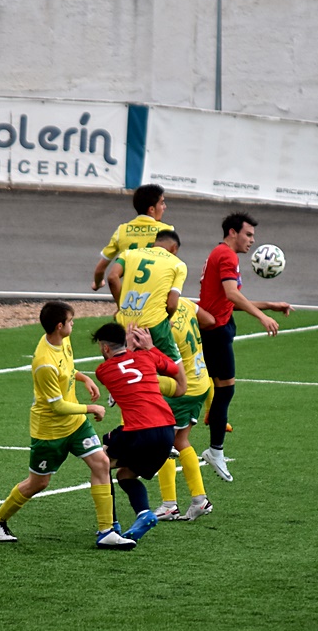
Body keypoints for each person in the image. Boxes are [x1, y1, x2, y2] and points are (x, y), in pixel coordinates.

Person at [0, 301, 135, 550]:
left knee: (101, 463)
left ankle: (106, 530)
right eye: (71, 320)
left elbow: (68, 369)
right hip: (50, 431)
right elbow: (56, 406)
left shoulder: (63, 341)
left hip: (76, 425)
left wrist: (84, 377)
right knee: (39, 483)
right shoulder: (43, 362)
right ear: (59, 326)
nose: (73, 324)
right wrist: (91, 408)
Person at [198, 211, 293, 482]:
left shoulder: (222, 254)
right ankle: (214, 450)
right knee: (223, 391)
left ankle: (210, 436)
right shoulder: (226, 255)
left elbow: (231, 299)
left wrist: (270, 304)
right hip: (215, 331)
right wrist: (262, 317)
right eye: (248, 234)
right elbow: (231, 294)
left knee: (214, 389)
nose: (252, 241)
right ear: (232, 233)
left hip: (219, 327)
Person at [93, 322, 184, 542]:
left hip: (138, 431)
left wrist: (131, 349)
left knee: (99, 463)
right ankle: (144, 513)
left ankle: (110, 526)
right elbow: (175, 370)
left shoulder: (102, 371)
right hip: (166, 432)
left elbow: (121, 366)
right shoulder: (148, 357)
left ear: (105, 348)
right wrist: (150, 347)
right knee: (125, 475)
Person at [153, 297, 215, 522]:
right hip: (201, 381)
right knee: (181, 441)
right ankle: (199, 500)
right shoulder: (185, 302)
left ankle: (169, 505)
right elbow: (209, 319)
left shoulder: (159, 321)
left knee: (165, 442)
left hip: (183, 389)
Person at [105, 228, 186, 363]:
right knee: (177, 373)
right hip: (154, 324)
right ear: (174, 248)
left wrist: (121, 306)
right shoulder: (177, 264)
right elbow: (172, 304)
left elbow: (112, 277)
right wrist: (166, 320)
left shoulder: (128, 254)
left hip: (125, 322)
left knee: (125, 368)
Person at [92, 183, 174, 291]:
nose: (165, 207)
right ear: (152, 209)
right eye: (162, 203)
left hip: (131, 294)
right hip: (156, 292)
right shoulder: (167, 231)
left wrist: (97, 283)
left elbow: (100, 270)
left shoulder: (122, 230)